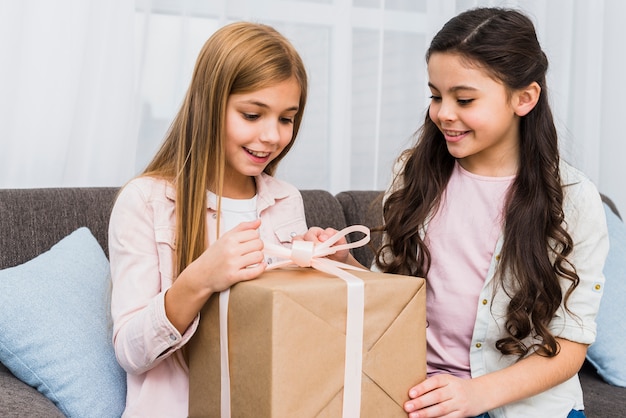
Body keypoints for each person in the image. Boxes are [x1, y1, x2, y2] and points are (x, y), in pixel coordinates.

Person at [308, 7, 608, 418]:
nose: (443, 112)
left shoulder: (574, 198)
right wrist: (343, 263)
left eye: (463, 99)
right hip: (420, 393)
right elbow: (394, 296)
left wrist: (476, 395)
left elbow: (569, 345)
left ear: (525, 98)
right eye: (435, 95)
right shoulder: (414, 173)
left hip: (524, 406)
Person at [108, 22, 309, 417]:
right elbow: (130, 351)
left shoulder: (286, 201)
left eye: (286, 119)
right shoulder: (147, 201)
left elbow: (294, 331)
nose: (272, 136)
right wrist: (200, 278)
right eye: (252, 115)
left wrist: (323, 266)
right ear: (209, 105)